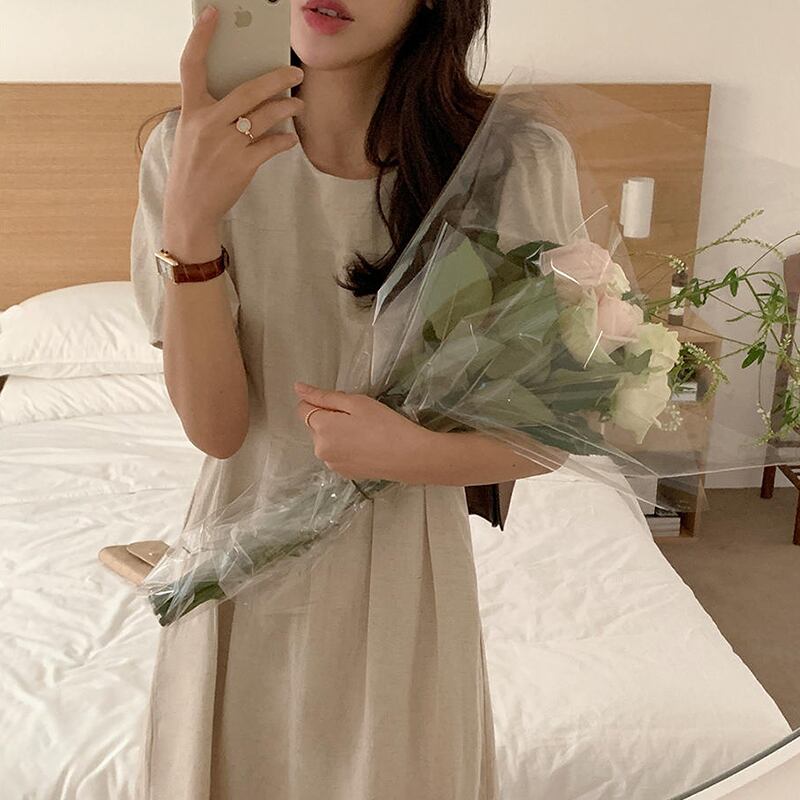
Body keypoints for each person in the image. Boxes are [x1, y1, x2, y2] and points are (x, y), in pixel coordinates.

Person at [130, 1, 584, 797]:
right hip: (239, 558)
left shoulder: (510, 159)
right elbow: (218, 429)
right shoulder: (188, 148)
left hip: (405, 569)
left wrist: (415, 453)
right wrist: (192, 222)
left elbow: (552, 429)